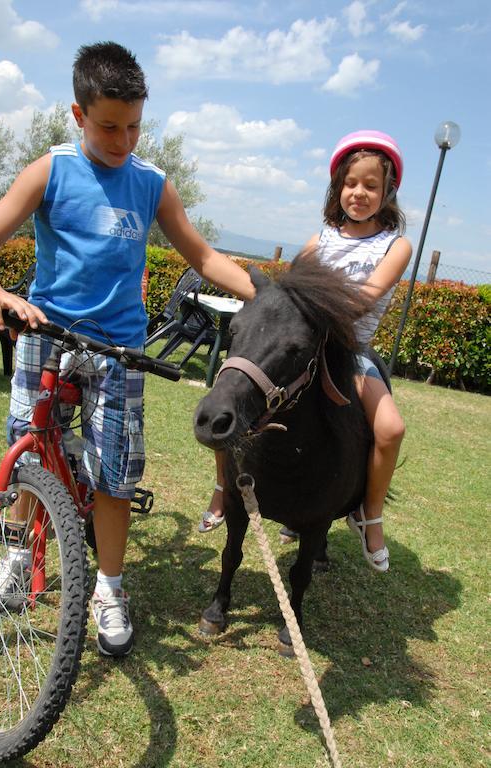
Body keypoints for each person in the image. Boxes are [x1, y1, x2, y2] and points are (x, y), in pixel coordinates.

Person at [0, 41, 255, 657]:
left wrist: (264, 295)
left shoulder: (151, 184)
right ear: (78, 115)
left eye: (133, 127)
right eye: (108, 126)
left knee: (116, 474)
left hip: (118, 350)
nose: (123, 140)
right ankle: (20, 560)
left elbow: (203, 257)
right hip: (45, 334)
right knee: (30, 454)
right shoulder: (51, 169)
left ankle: (108, 586)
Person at [201, 130, 411, 575]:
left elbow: (365, 299)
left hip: (351, 352)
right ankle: (223, 489)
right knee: (233, 394)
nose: (359, 193)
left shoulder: (395, 246)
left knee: (390, 427)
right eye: (351, 183)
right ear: (338, 187)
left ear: (387, 191)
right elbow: (292, 296)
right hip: (304, 345)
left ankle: (368, 514)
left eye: (371, 185)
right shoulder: (320, 241)